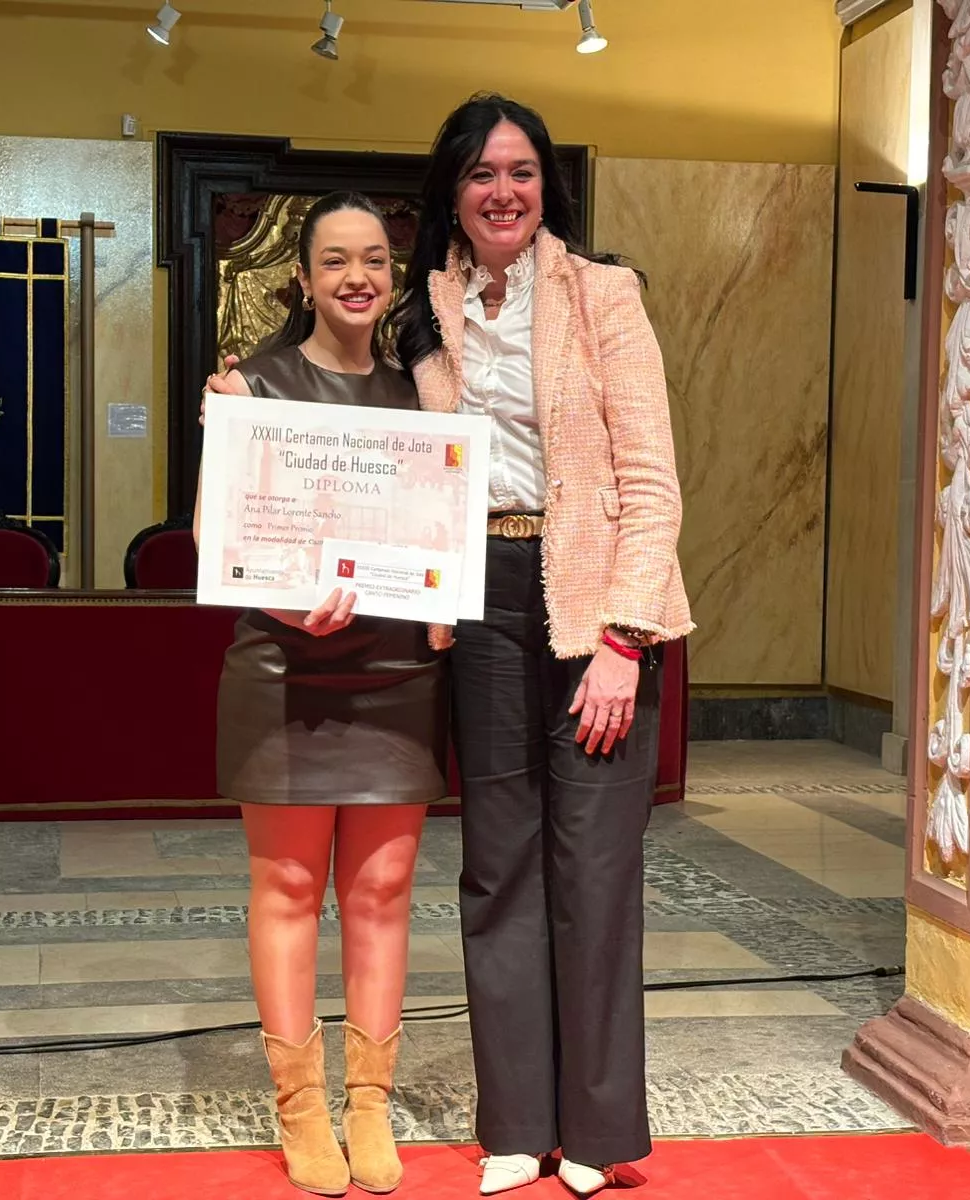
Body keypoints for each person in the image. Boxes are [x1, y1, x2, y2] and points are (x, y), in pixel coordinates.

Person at [392, 95, 693, 1197]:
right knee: (499, 867)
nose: (501, 191)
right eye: (479, 174)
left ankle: (601, 1130)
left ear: (546, 186)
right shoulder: (426, 308)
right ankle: (517, 1120)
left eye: (519, 171)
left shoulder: (602, 294)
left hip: (594, 599)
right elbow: (364, 431)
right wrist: (240, 403)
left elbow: (652, 483)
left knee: (595, 869)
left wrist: (625, 639)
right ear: (453, 196)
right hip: (478, 598)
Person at [196, 192, 446, 1197]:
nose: (356, 277)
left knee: (381, 894)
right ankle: (299, 1105)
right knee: (290, 890)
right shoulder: (249, 387)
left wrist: (442, 603)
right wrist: (289, 603)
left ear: (394, 277)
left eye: (374, 260)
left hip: (397, 673)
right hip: (282, 665)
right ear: (300, 277)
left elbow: (440, 539)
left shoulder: (422, 398)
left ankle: (368, 1103)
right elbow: (219, 539)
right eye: (335, 260)